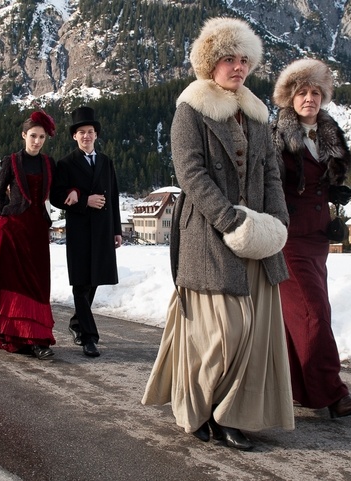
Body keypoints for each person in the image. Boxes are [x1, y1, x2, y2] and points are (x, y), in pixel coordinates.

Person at [141, 17, 294, 451]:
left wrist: (278, 223)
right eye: (230, 59)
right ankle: (199, 408)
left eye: (244, 60)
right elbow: (190, 173)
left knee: (253, 331)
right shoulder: (190, 109)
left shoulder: (257, 114)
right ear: (211, 63)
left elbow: (269, 175)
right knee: (225, 331)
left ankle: (228, 414)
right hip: (209, 234)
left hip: (258, 238)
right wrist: (229, 220)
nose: (238, 67)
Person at [271, 58, 351, 419]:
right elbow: (270, 186)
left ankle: (296, 389)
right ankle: (333, 393)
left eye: (315, 92)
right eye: (302, 92)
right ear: (290, 98)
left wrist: (334, 193)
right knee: (315, 312)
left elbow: (323, 180)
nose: (309, 98)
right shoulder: (276, 135)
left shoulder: (331, 132)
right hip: (289, 238)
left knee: (299, 315)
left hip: (318, 239)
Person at [0, 110, 58, 360]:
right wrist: (1, 218)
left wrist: (74, 192)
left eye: (42, 137)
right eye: (33, 136)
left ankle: (37, 337)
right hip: (14, 228)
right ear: (24, 135)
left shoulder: (48, 163)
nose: (37, 141)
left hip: (37, 230)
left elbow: (60, 189)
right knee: (13, 282)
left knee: (38, 284)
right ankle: (15, 335)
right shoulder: (11, 161)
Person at [49, 106, 122, 358]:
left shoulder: (105, 161)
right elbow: (56, 196)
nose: (86, 136)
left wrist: (117, 230)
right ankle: (90, 338)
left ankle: (77, 322)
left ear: (96, 135)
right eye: (82, 132)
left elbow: (113, 197)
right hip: (80, 230)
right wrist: (84, 201)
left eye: (90, 132)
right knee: (81, 282)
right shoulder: (66, 163)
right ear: (74, 136)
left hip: (102, 230)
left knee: (94, 280)